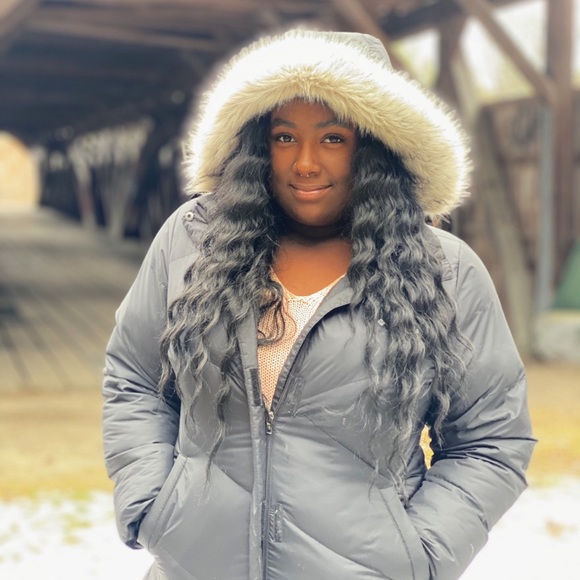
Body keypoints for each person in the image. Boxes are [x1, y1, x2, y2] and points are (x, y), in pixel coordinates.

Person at [103, 29, 535, 580]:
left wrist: (418, 557)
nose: (305, 162)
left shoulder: (445, 271)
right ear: (258, 145)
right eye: (284, 137)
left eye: (333, 137)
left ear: (375, 145)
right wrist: (153, 505)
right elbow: (134, 377)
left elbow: (491, 438)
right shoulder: (193, 241)